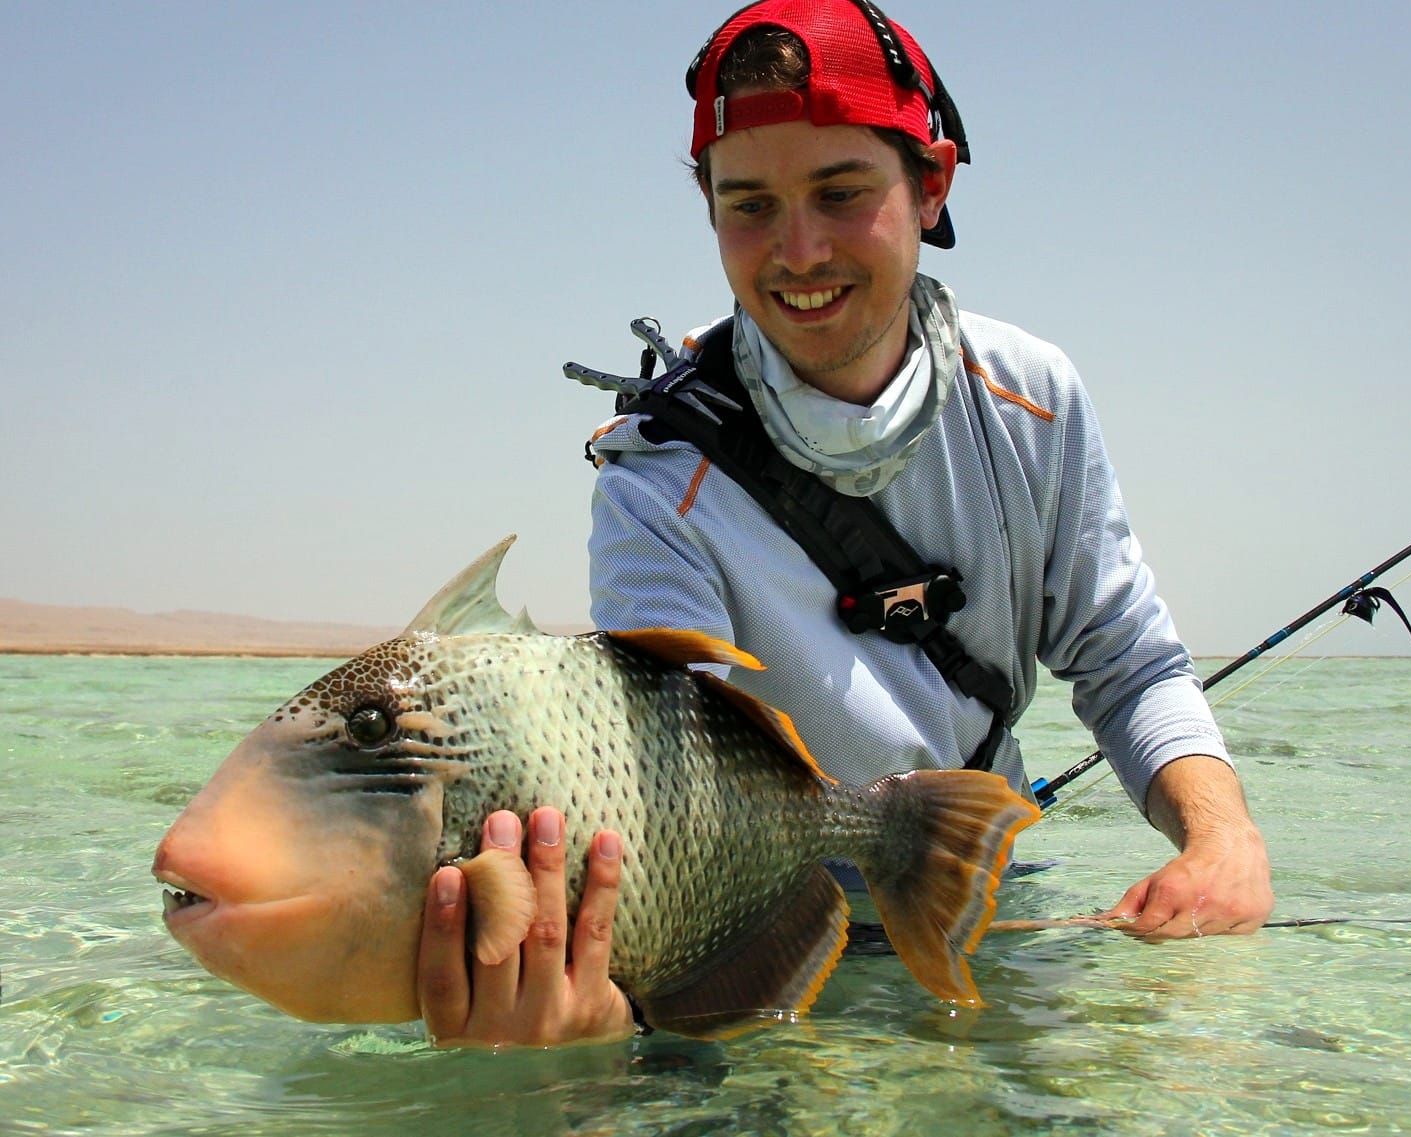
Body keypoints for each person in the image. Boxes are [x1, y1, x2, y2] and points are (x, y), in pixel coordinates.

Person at [416, 0, 1274, 1048]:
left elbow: (1127, 664)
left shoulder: (1033, 399)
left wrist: (1219, 842)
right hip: (744, 913)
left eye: (840, 192)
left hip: (982, 874)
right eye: (749, 206)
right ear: (707, 207)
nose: (798, 251)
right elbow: (662, 782)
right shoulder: (652, 477)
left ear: (933, 183)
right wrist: (602, 994)